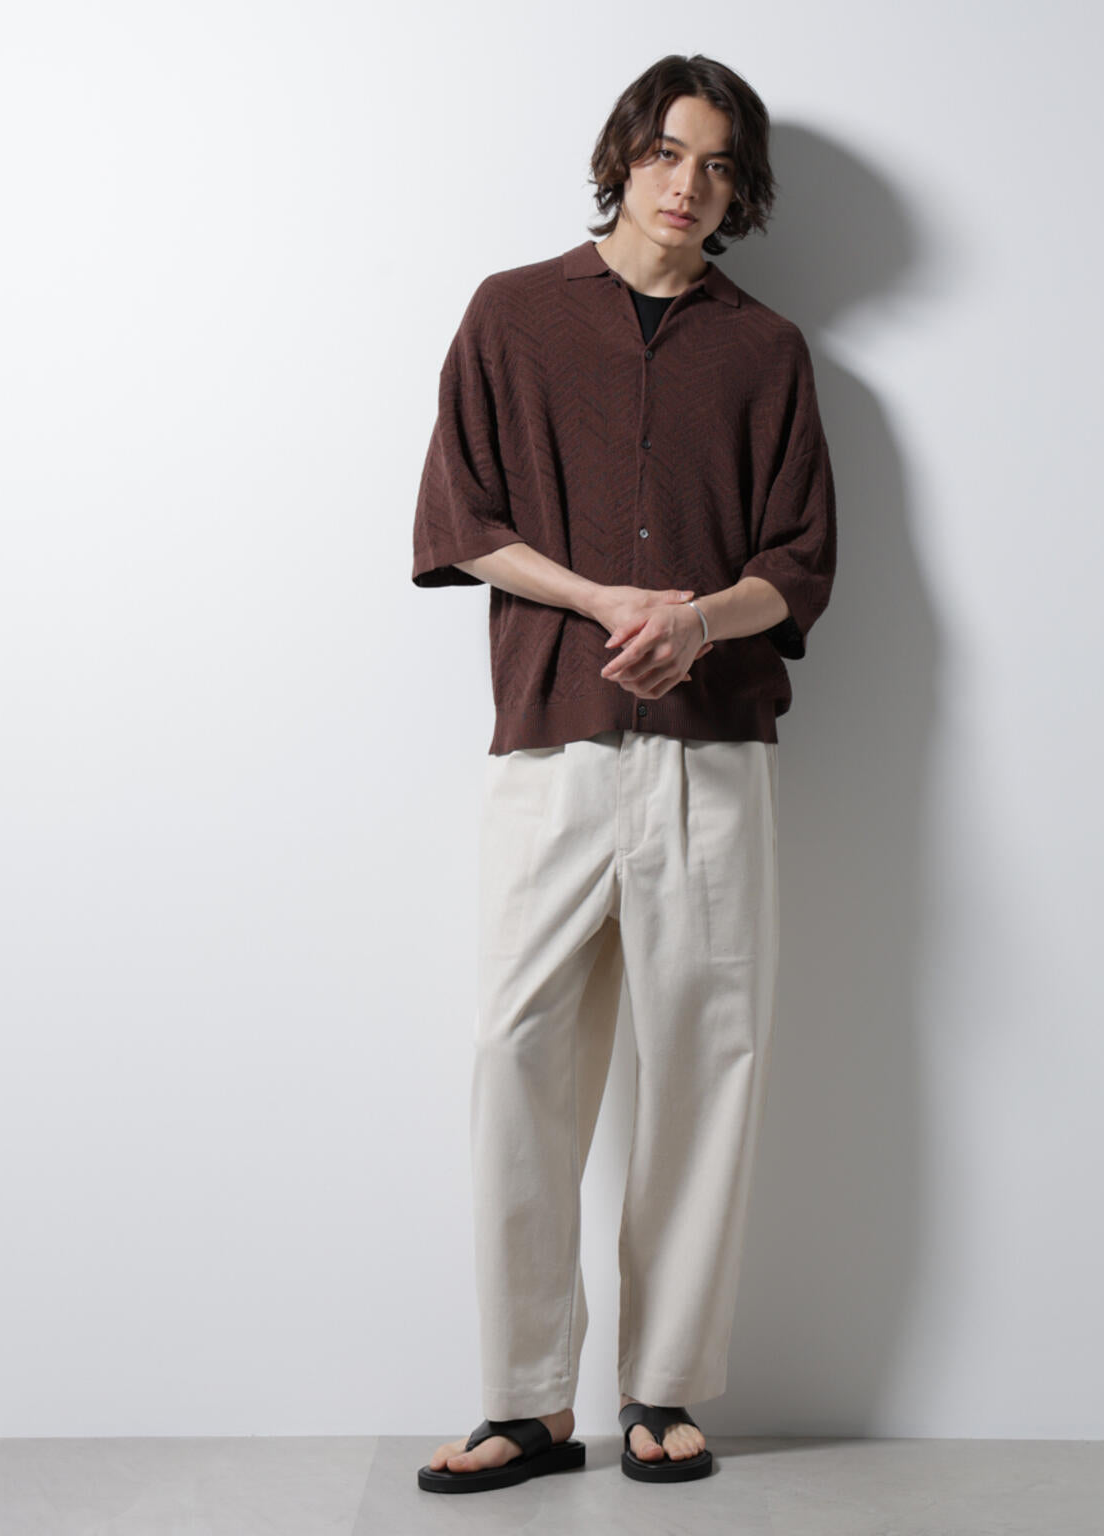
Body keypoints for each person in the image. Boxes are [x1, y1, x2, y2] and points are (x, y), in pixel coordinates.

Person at [412, 52, 837, 1494]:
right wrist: (608, 603)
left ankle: (664, 1388)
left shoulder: (767, 351)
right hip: (554, 739)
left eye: (717, 166)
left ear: (741, 187)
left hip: (712, 756)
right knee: (516, 1054)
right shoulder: (512, 313)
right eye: (666, 153)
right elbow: (462, 518)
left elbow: (801, 563)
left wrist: (700, 621)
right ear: (623, 157)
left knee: (707, 1062)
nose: (687, 186)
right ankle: (528, 1404)